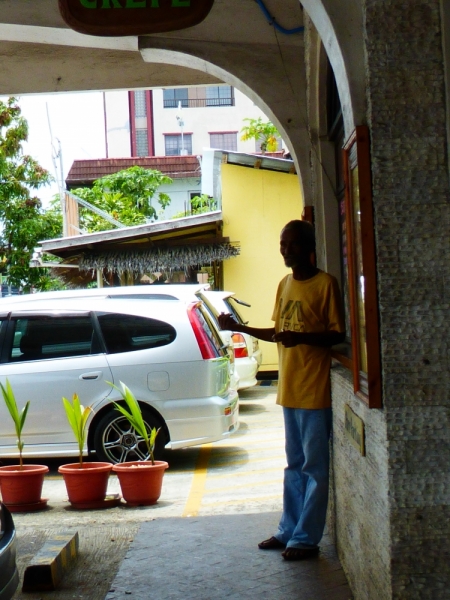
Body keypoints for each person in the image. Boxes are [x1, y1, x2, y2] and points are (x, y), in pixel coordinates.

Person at [218, 219, 345, 561]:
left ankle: (306, 539)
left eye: (290, 245)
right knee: (294, 465)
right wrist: (238, 327)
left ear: (307, 247)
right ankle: (288, 530)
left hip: (315, 391)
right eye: (282, 245)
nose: (285, 250)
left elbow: (337, 334)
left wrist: (301, 338)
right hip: (289, 389)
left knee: (315, 469)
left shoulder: (325, 285)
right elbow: (279, 332)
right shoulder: (285, 284)